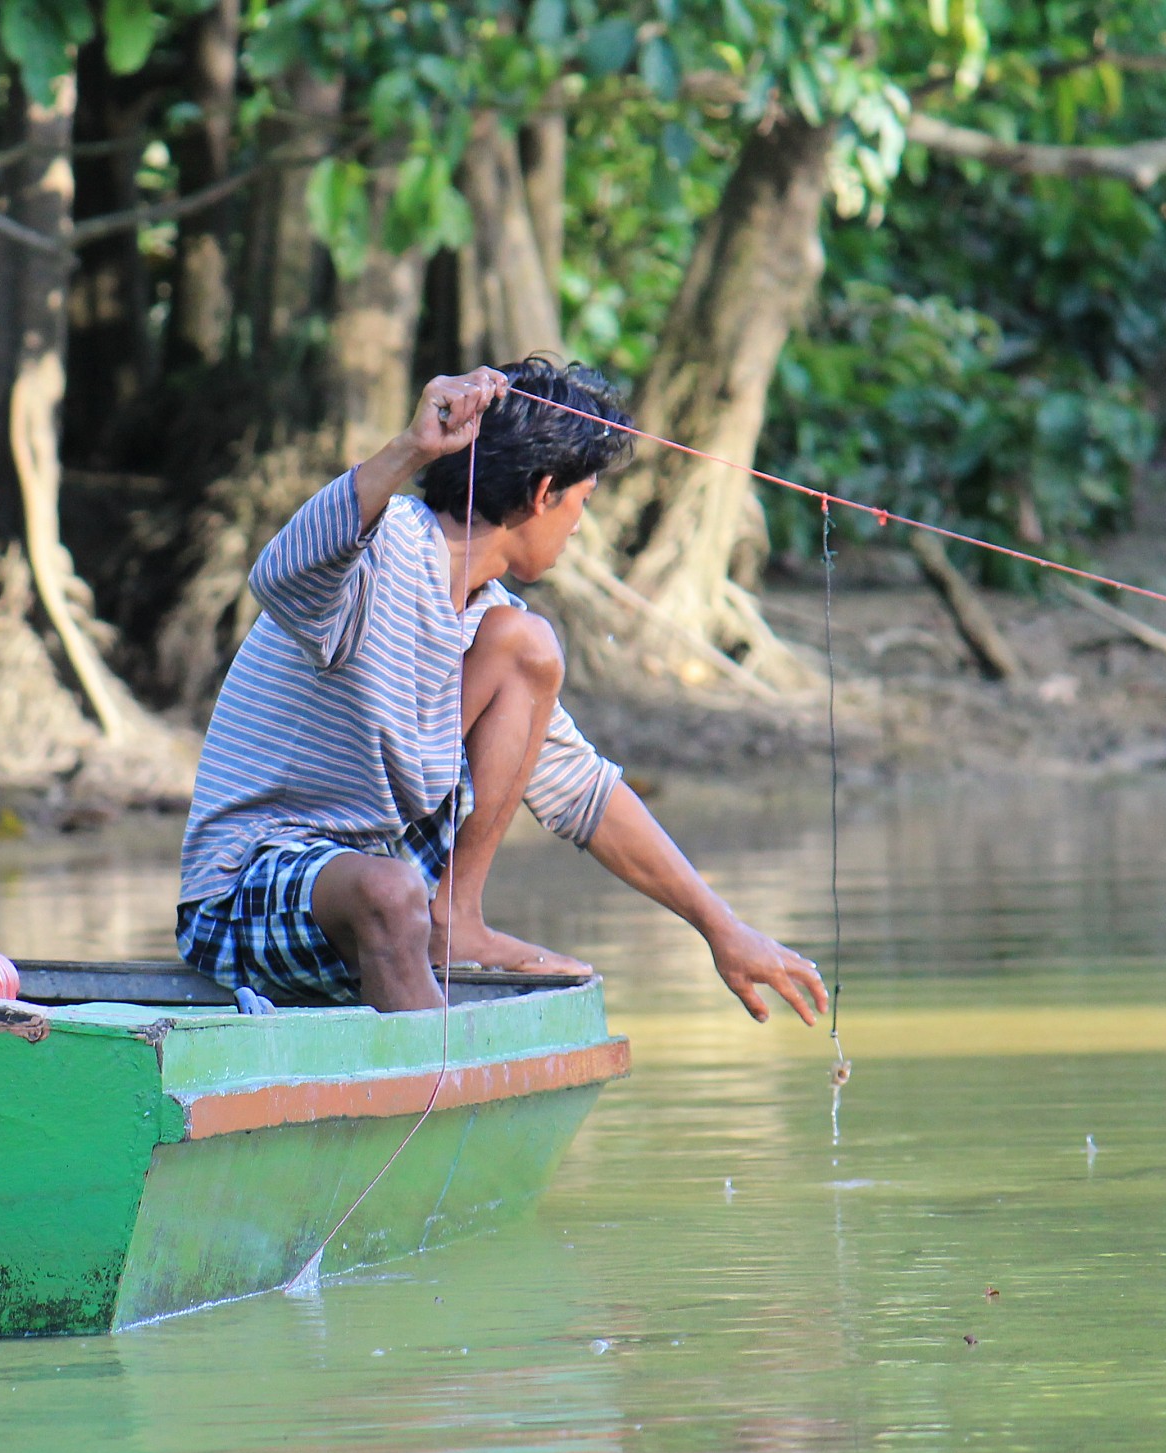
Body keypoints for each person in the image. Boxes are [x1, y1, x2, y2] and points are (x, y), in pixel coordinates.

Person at [175, 358, 829, 1024]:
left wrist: (723, 930)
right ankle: (434, 1053)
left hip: (375, 881)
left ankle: (455, 920)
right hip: (242, 890)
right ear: (544, 493)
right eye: (583, 501)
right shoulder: (385, 544)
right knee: (391, 892)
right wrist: (410, 449)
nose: (578, 525)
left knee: (527, 646)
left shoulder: (492, 620)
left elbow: (583, 792)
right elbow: (278, 574)